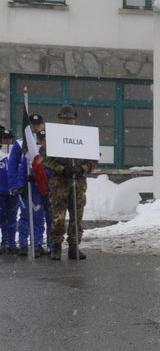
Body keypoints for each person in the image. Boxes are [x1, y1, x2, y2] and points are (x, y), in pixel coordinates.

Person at [43, 104, 93, 260]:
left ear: (75, 120)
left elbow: (93, 160)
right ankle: (56, 247)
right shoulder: (52, 136)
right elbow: (44, 158)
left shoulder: (84, 136)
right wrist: (61, 168)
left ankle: (74, 247)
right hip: (59, 184)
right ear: (59, 119)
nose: (68, 122)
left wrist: (82, 168)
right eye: (65, 119)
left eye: (70, 119)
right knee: (58, 217)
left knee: (77, 217)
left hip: (78, 184)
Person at [22, 115, 51, 258]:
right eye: (41, 139)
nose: (43, 141)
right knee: (37, 218)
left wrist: (44, 175)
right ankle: (37, 245)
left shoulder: (53, 151)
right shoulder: (29, 146)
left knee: (51, 218)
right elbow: (23, 164)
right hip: (35, 188)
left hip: (51, 188)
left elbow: (55, 169)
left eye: (38, 123)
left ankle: (52, 246)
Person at [1, 124, 25, 256]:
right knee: (1, 217)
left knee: (12, 218)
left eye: (9, 138)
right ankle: (3, 241)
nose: (7, 141)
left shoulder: (15, 153)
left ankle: (11, 242)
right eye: (4, 138)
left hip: (13, 192)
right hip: (1, 192)